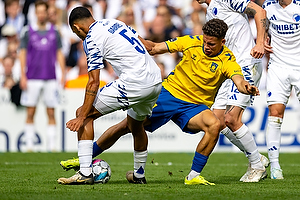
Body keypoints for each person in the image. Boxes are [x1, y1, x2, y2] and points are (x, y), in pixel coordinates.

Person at [60, 18, 260, 185]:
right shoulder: (191, 41)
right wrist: (133, 39)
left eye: (211, 44)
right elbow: (155, 48)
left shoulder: (227, 59)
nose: (206, 46)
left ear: (222, 41)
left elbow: (238, 80)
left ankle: (193, 176)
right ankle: (84, 159)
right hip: (167, 94)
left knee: (215, 125)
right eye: (205, 42)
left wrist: (246, 87)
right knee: (127, 126)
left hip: (194, 107)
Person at [57, 6, 162, 185]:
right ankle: (139, 175)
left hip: (134, 81)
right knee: (135, 125)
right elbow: (145, 44)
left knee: (83, 113)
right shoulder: (114, 23)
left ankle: (84, 172)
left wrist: (82, 116)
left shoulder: (90, 38)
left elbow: (93, 82)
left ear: (76, 28)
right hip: (155, 79)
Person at [196, 0, 269, 182]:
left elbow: (260, 12)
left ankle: (257, 166)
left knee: (231, 119)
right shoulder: (210, 12)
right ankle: (257, 157)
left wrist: (260, 43)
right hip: (229, 69)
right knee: (218, 122)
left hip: (246, 63)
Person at [19, 0, 66, 152]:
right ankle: (29, 145)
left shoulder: (54, 31)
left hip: (50, 77)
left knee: (51, 111)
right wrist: (22, 75)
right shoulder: (27, 31)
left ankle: (52, 146)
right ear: (35, 14)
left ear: (47, 13)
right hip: (32, 77)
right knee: (30, 111)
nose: (40, 15)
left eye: (42, 12)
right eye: (38, 12)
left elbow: (59, 53)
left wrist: (63, 72)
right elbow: (22, 53)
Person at [263, 0, 300, 179]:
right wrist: (262, 39)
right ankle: (275, 166)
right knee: (275, 113)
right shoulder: (268, 7)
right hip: (278, 67)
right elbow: (261, 22)